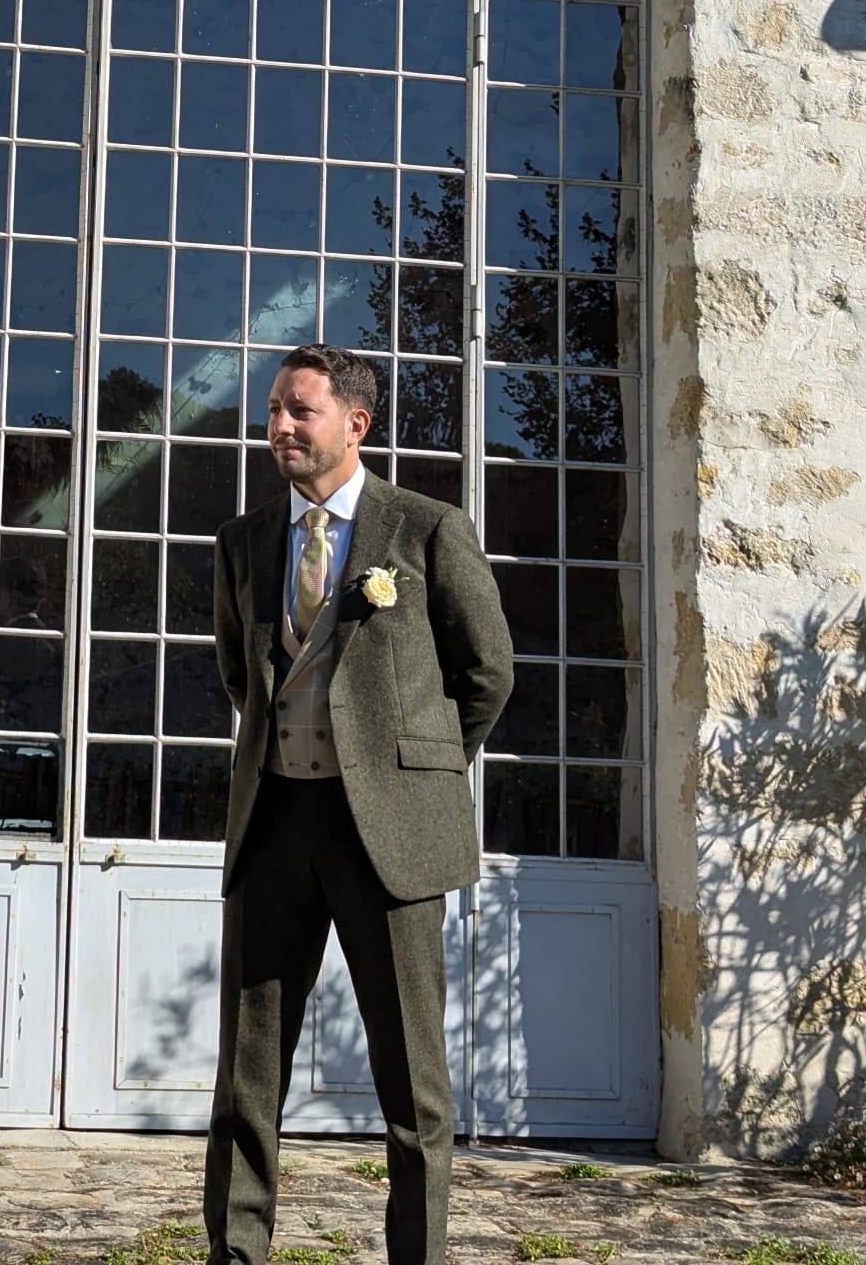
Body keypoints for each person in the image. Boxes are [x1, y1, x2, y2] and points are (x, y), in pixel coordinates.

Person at [204, 343, 514, 1265]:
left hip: (389, 834)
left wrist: (413, 771)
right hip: (273, 825)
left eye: (299, 410)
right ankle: (237, 1255)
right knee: (246, 1076)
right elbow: (241, 675)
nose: (279, 427)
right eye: (273, 410)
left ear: (355, 424)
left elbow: (488, 673)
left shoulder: (425, 530)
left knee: (413, 1082)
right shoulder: (242, 541)